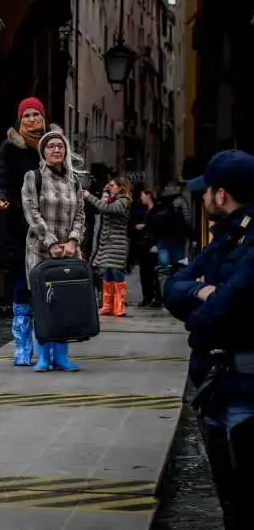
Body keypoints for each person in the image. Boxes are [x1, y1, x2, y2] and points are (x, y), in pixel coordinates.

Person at [163, 149, 254, 530]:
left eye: (207, 191)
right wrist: (202, 293)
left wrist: (203, 305)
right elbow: (172, 287)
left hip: (245, 390)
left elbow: (233, 303)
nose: (202, 198)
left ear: (221, 195)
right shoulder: (222, 239)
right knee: (229, 497)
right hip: (214, 386)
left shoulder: (249, 241)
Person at [0, 96, 63, 366]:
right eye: (27, 116)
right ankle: (22, 347)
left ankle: (48, 346)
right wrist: (0, 196)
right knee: (23, 285)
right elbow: (1, 179)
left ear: (44, 118)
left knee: (51, 287)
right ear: (19, 120)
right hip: (20, 227)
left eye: (36, 115)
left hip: (53, 225)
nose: (32, 119)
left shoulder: (54, 145)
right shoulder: (10, 148)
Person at [21, 130, 86, 372]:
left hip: (69, 251)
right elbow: (31, 212)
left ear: (66, 151)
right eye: (51, 146)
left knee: (65, 303)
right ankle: (44, 356)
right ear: (43, 152)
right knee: (42, 303)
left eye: (60, 146)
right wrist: (51, 242)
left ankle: (62, 356)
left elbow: (80, 216)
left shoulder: (75, 181)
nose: (56, 150)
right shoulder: (33, 177)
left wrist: (72, 241)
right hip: (40, 250)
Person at [83, 177, 132, 317]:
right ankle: (108, 305)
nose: (110, 187)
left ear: (120, 187)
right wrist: (104, 193)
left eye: (112, 185)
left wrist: (89, 196)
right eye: (109, 185)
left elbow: (107, 209)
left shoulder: (124, 201)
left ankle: (119, 306)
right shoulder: (111, 199)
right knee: (106, 274)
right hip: (107, 244)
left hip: (117, 245)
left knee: (116, 274)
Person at [135, 189, 163, 307]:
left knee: (154, 272)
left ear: (148, 195)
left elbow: (159, 228)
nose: (141, 198)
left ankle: (157, 297)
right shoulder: (144, 211)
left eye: (142, 195)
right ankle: (147, 296)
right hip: (144, 244)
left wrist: (157, 244)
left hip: (153, 244)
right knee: (144, 271)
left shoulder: (157, 210)